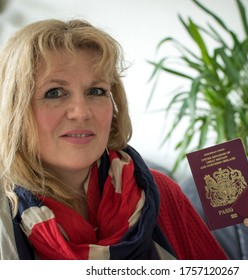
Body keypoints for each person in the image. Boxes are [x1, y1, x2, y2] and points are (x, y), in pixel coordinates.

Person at [0, 19, 227, 260]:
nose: (82, 112)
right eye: (54, 92)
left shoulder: (161, 191)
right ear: (14, 110)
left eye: (96, 91)